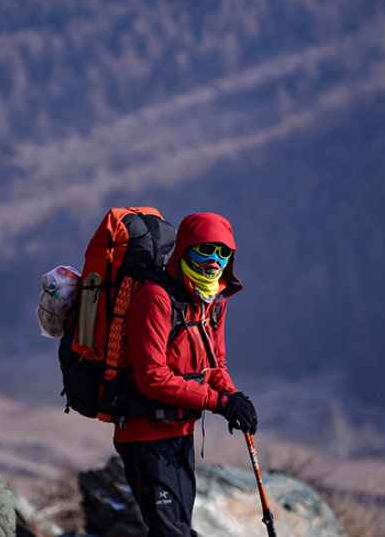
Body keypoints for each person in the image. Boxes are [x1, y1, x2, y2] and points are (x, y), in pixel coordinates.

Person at [114, 212, 257, 537]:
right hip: (145, 434)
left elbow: (215, 363)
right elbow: (152, 377)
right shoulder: (155, 299)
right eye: (206, 249)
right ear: (185, 249)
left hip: (180, 430)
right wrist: (219, 402)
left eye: (224, 252)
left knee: (177, 529)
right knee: (171, 533)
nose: (215, 260)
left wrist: (235, 399)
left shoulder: (212, 302)